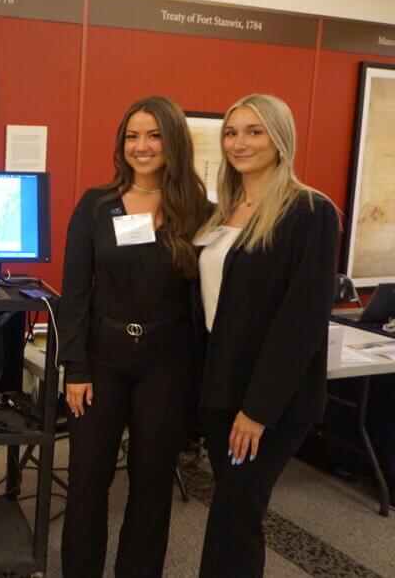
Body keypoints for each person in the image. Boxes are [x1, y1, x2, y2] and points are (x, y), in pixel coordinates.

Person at [57, 95, 212, 577]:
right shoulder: (96, 206)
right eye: (131, 136)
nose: (141, 146)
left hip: (169, 364)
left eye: (153, 135)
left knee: (151, 484)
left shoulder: (200, 211)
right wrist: (74, 368)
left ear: (173, 142)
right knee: (87, 478)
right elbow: (76, 293)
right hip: (102, 359)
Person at [196, 94, 338, 578]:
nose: (241, 142)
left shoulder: (310, 212)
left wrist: (257, 410)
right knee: (234, 507)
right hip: (221, 388)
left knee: (236, 511)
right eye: (232, 132)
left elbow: (301, 322)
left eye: (255, 131)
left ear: (280, 138)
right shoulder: (224, 210)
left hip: (268, 401)